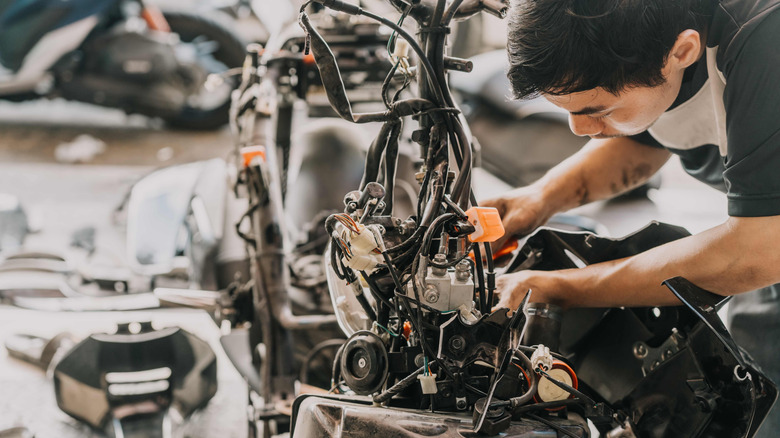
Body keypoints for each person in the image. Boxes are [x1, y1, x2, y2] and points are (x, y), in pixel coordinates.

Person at [483, 0, 780, 435]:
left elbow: (758, 248)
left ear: (682, 52)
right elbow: (646, 135)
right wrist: (539, 199)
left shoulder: (765, 41)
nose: (579, 130)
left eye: (598, 110)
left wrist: (555, 289)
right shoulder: (657, 37)